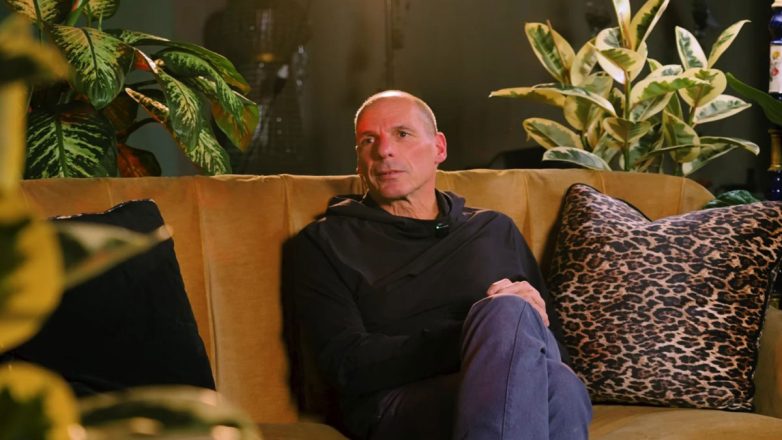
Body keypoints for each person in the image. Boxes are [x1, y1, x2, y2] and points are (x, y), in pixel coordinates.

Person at [291, 90, 592, 439]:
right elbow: (345, 365)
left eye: (402, 134)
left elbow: (556, 350)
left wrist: (525, 322)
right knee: (531, 349)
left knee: (557, 377)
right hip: (396, 402)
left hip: (510, 383)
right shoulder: (325, 242)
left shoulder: (493, 229)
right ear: (359, 160)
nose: (384, 150)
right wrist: (482, 334)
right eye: (368, 140)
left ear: (439, 148)